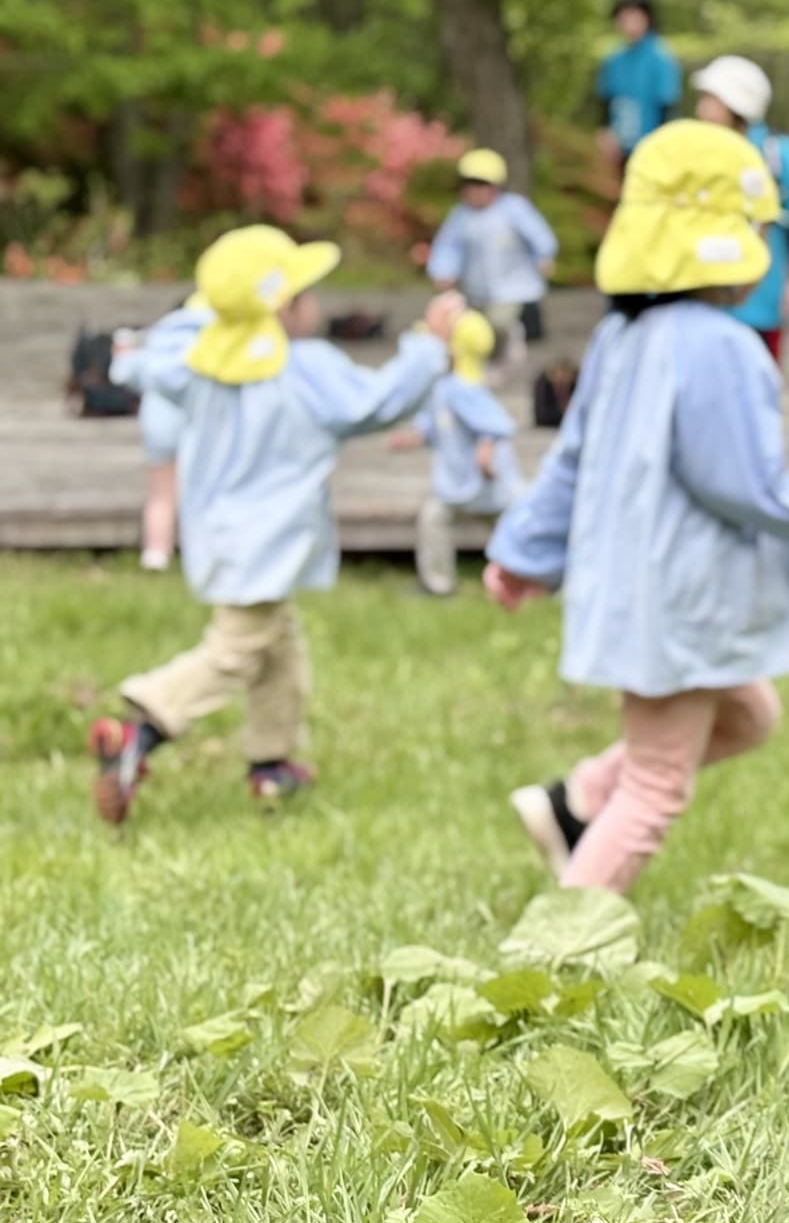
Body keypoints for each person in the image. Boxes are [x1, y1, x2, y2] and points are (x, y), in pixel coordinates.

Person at [484, 120, 789, 892]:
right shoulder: (721, 347)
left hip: (647, 594)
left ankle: (578, 802)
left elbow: (572, 457)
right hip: (682, 600)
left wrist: (523, 551)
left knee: (748, 716)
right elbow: (745, 484)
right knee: (658, 787)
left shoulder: (622, 337)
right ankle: (561, 953)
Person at [87, 227, 458, 820]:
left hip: (218, 534)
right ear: (285, 307)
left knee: (279, 648)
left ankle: (272, 763)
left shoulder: (196, 359)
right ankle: (145, 722)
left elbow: (150, 355)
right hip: (269, 541)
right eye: (305, 293)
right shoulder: (304, 371)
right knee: (235, 650)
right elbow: (379, 402)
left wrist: (215, 309)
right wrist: (430, 347)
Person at [687, 55, 789, 364]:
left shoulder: (778, 152)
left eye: (710, 99)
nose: (701, 109)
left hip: (763, 287)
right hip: (706, 287)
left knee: (760, 374)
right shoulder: (696, 151)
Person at [393, 309, 522, 599]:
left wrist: (486, 453)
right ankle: (438, 584)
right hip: (458, 481)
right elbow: (436, 426)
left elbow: (495, 425)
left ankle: (523, 577)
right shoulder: (442, 388)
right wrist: (412, 439)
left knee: (508, 527)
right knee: (434, 519)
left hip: (483, 477)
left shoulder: (463, 388)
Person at [424, 148, 556, 370]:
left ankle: (509, 348)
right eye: (470, 185)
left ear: (495, 187)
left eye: (481, 185)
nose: (475, 191)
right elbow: (448, 246)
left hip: (513, 286)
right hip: (476, 289)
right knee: (474, 325)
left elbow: (539, 235)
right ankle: (482, 363)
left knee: (500, 322)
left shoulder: (514, 209)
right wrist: (442, 271)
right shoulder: (461, 216)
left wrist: (544, 256)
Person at [111, 292, 213, 571]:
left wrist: (124, 352)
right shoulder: (217, 340)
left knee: (160, 493)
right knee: (203, 492)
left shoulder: (159, 338)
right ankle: (202, 554)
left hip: (157, 422)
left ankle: (156, 552)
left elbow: (122, 374)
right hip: (201, 424)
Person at [596, 0, 681, 164]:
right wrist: (605, 132)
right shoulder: (614, 59)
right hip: (620, 144)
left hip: (651, 146)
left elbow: (668, 104)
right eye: (623, 17)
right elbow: (605, 99)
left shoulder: (660, 57)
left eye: (634, 16)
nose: (628, 23)